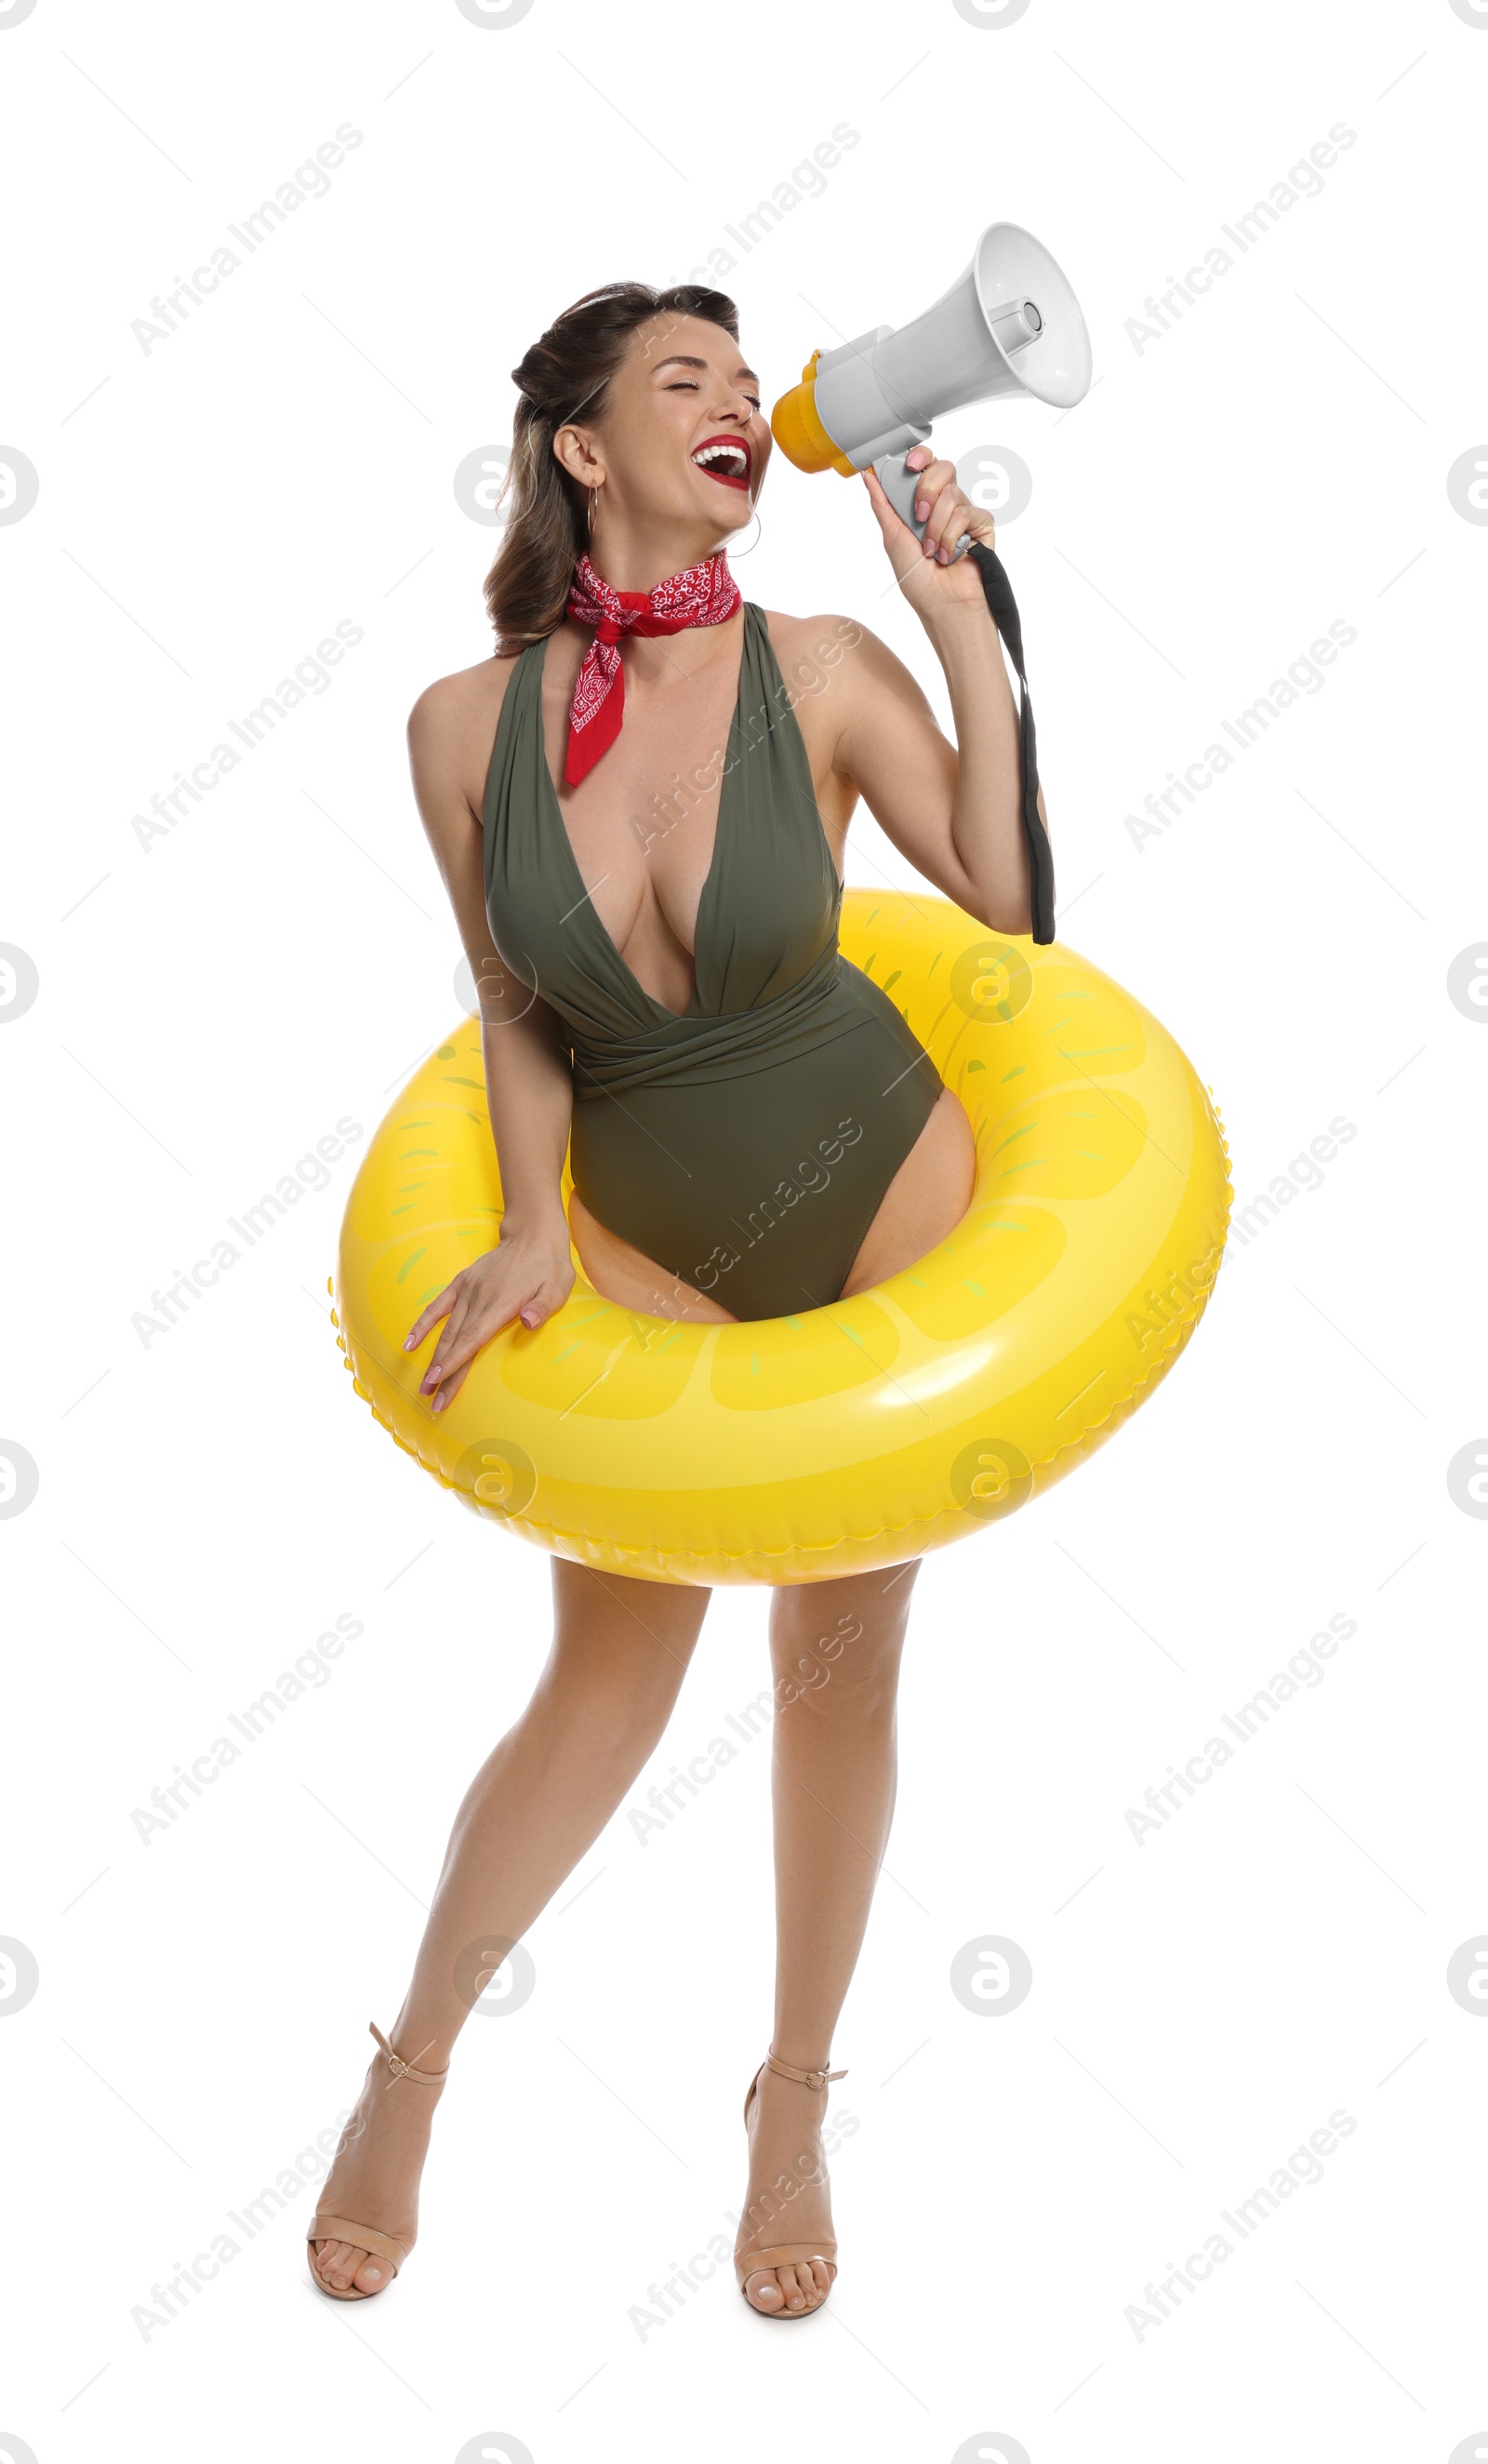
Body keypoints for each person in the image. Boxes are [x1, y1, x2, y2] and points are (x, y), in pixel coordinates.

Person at [307, 280, 1051, 2319]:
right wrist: (533, 1218)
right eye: (685, 378)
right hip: (643, 1221)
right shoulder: (456, 728)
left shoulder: (816, 663)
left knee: (837, 1665)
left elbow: (1004, 899)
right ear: (579, 445)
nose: (737, 399)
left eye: (745, 379)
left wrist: (961, 621)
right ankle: (409, 2068)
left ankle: (792, 2094)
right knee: (608, 1683)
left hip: (880, 1179)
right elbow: (514, 1003)